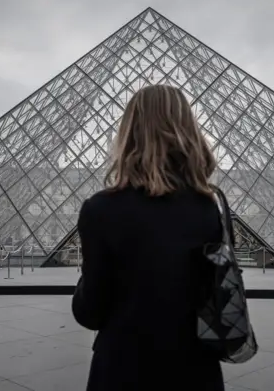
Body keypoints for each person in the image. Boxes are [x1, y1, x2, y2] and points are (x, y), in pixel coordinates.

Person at [72, 85, 225, 391]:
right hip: (195, 369)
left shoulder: (100, 209)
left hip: (123, 368)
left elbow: (90, 312)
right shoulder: (211, 207)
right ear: (187, 130)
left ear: (129, 133)